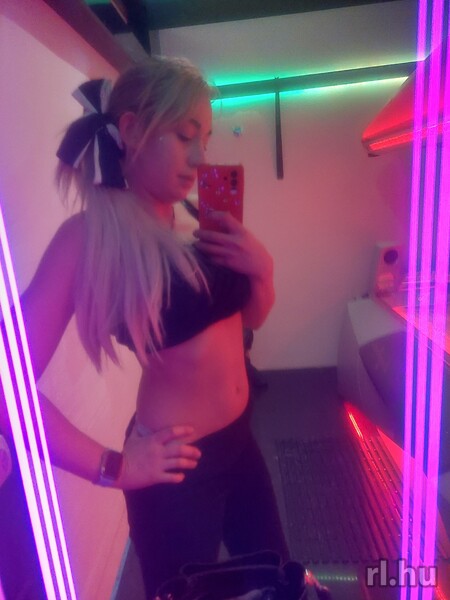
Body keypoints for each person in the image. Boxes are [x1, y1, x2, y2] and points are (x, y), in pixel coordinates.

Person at [0, 56, 288, 599]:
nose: (201, 157)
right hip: (175, 472)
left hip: (241, 442)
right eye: (185, 136)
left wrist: (263, 272)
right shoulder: (88, 238)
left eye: (206, 138)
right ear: (131, 130)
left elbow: (248, 321)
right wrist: (112, 467)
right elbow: (5, 383)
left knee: (276, 578)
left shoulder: (198, 219)